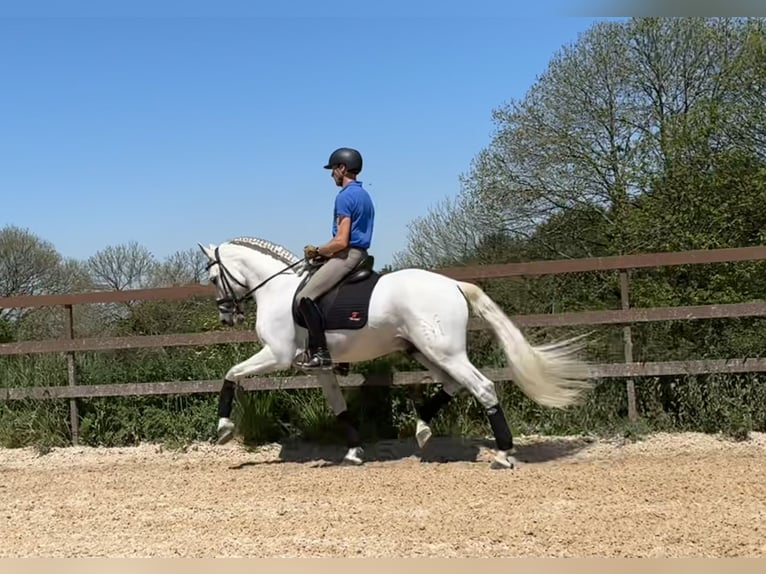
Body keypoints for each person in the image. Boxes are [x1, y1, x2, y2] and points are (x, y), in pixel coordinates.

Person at [296, 147, 375, 370]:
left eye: (333, 169)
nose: (332, 174)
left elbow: (341, 241)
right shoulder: (364, 195)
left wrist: (318, 250)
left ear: (343, 168)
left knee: (305, 297)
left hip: (347, 255)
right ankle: (342, 352)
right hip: (361, 254)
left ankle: (321, 353)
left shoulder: (345, 197)